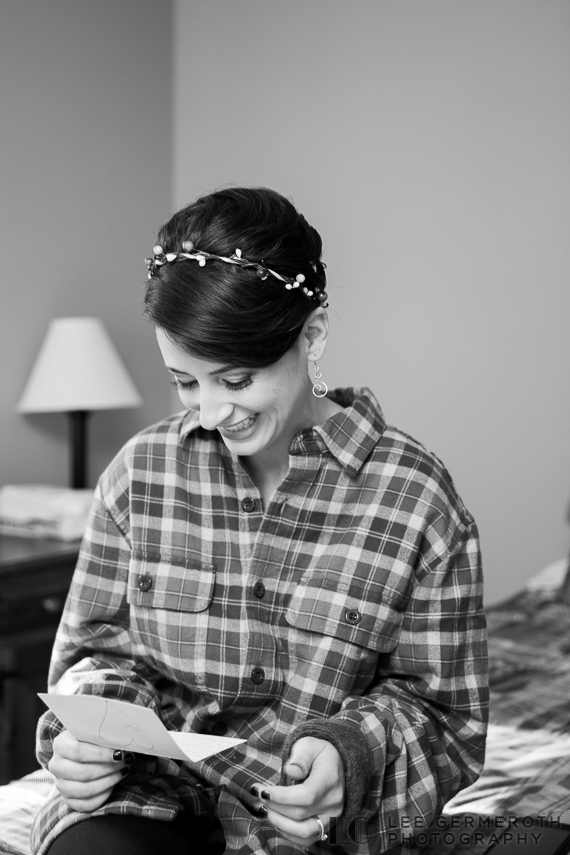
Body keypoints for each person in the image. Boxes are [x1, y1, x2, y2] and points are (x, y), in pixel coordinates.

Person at [32, 187, 488, 855]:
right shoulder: (140, 473)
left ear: (313, 334)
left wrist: (349, 753)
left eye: (237, 380)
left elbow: (446, 717)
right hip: (147, 800)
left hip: (313, 833)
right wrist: (88, 727)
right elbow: (96, 653)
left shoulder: (415, 496)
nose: (212, 411)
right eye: (186, 382)